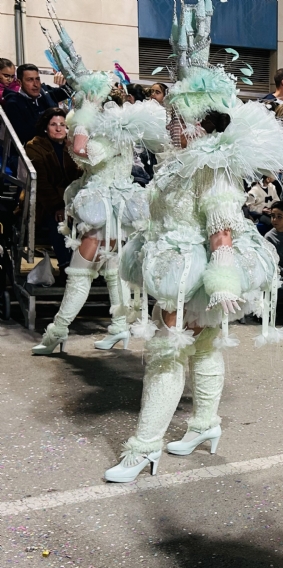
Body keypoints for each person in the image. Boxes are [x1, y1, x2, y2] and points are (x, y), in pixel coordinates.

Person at [106, 1, 283, 483]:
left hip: (191, 269)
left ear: (198, 121)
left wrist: (223, 278)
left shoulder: (211, 163)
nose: (169, 124)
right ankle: (206, 424)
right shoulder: (178, 161)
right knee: (206, 345)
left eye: (175, 116)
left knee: (168, 350)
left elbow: (221, 225)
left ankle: (145, 447)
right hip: (173, 261)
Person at [32, 16, 168, 355]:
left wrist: (87, 113)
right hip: (113, 208)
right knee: (112, 271)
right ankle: (119, 328)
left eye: (86, 100)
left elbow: (80, 150)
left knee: (80, 273)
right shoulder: (117, 130)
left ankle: (55, 334)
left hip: (104, 210)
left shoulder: (106, 135)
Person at [24, 107, 81, 278]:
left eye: (63, 125)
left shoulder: (71, 146)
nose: (58, 129)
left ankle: (88, 267)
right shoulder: (35, 146)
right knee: (58, 219)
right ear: (45, 127)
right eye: (53, 124)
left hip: (72, 199)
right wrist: (57, 206)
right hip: (45, 202)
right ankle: (66, 266)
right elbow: (41, 182)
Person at [3, 63, 69, 147]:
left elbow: (68, 91)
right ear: (20, 82)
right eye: (30, 80)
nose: (36, 84)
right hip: (35, 152)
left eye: (37, 79)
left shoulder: (46, 92)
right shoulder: (14, 104)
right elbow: (25, 134)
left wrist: (67, 77)